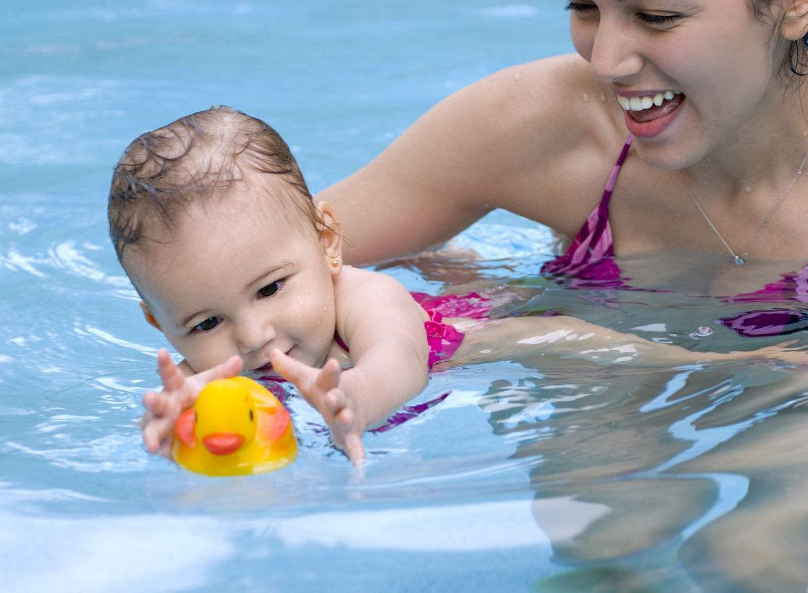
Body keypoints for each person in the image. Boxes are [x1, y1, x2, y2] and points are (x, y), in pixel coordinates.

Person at [107, 106, 808, 466]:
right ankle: (445, 255)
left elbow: (399, 364)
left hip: (455, 334)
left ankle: (729, 362)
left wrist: (353, 399)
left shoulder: (362, 297)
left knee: (573, 337)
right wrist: (173, 427)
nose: (254, 337)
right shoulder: (199, 367)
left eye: (269, 289)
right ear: (156, 322)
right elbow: (188, 420)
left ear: (328, 243)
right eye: (204, 325)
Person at [317, 0, 808, 337]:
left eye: (657, 16)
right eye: (585, 7)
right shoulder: (544, 122)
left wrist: (532, 336)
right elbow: (268, 269)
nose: (606, 63)